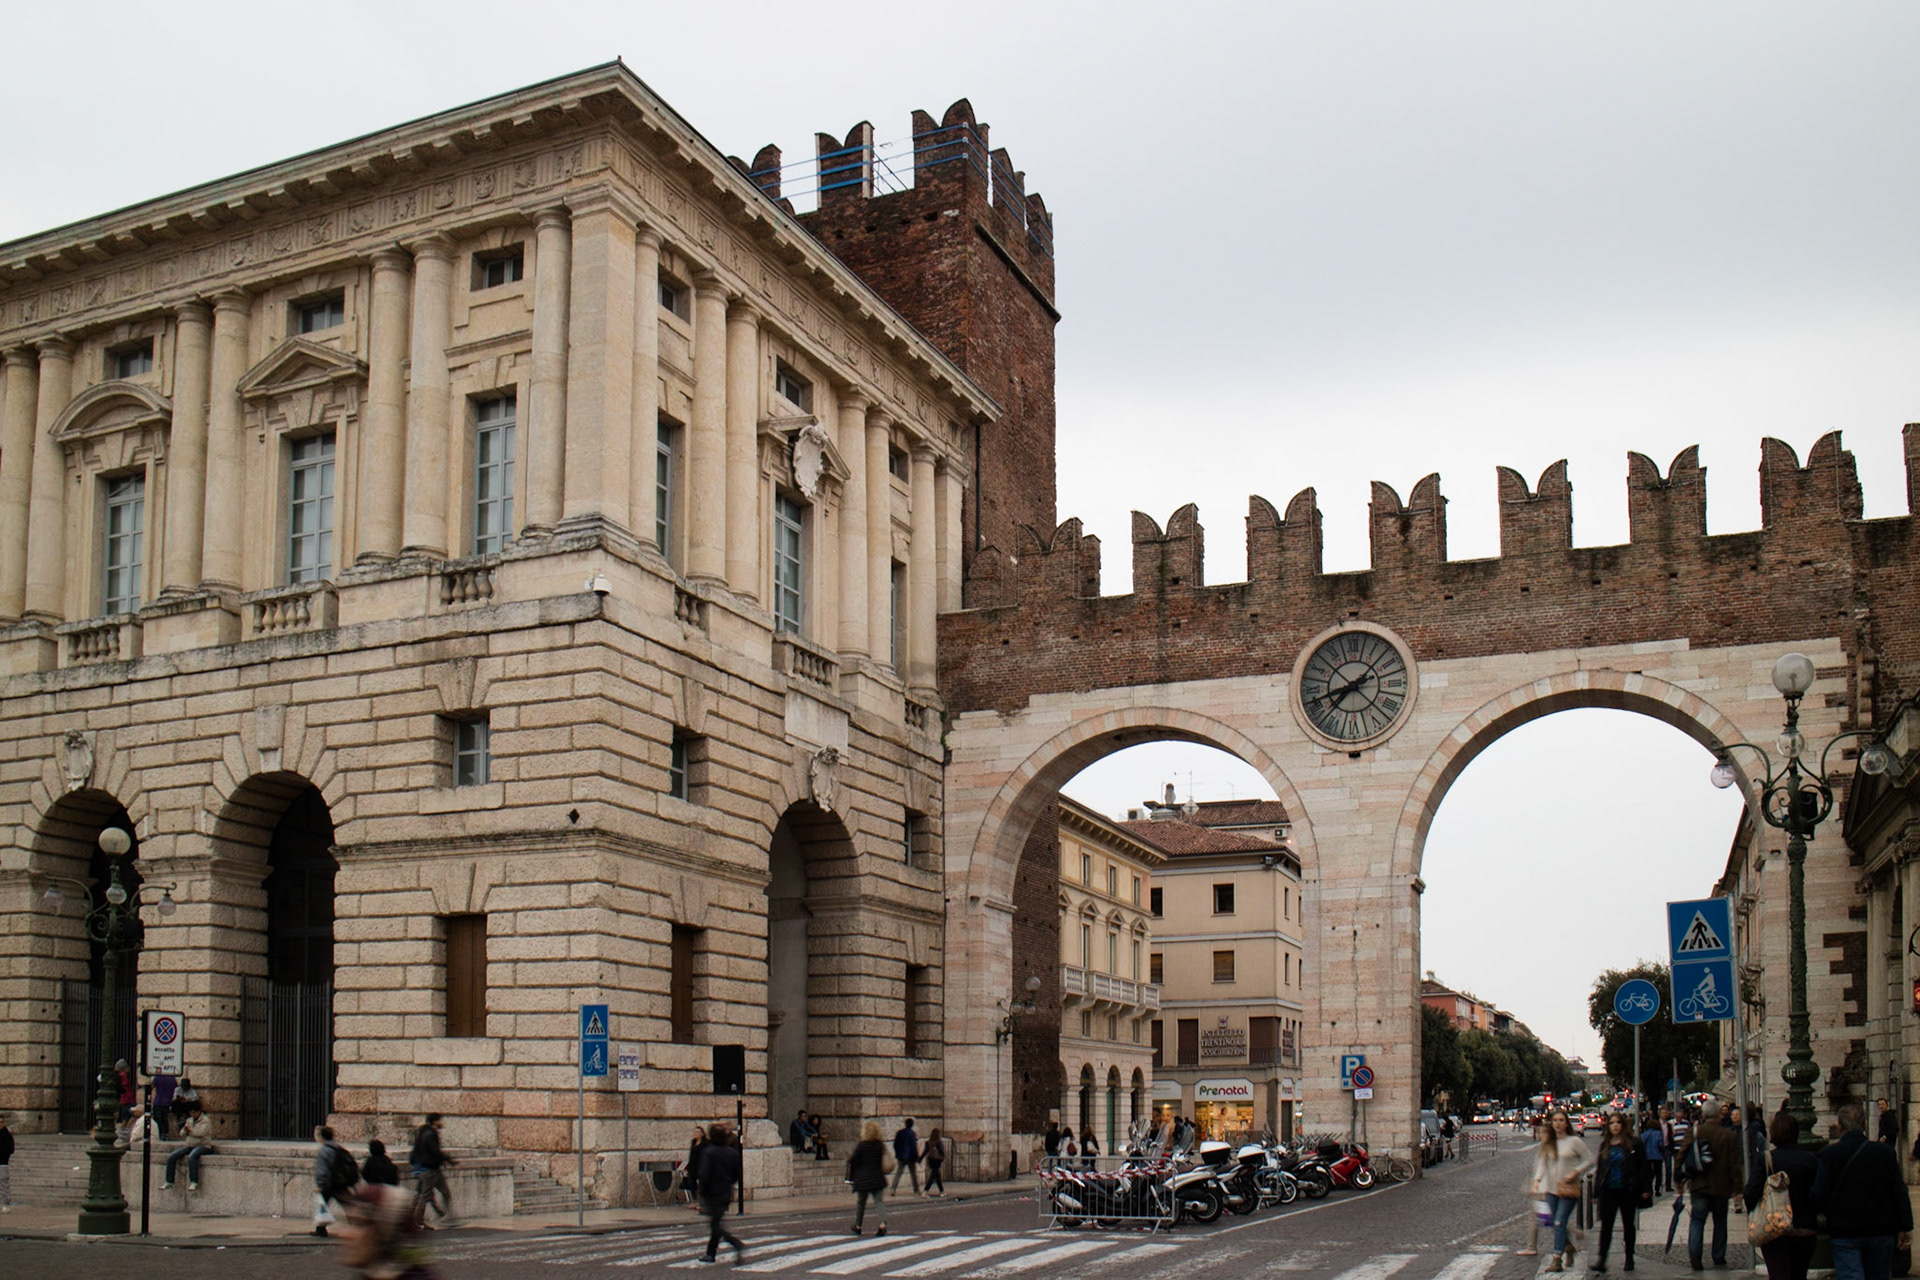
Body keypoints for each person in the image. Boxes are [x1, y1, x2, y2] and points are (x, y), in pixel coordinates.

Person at [1813, 1102, 1913, 1280]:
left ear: (1839, 1126)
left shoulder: (1829, 1155)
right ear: (1865, 1125)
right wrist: (1905, 1226)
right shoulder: (1885, 1153)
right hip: (1881, 1230)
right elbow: (1899, 1190)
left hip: (1845, 1231)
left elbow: (1819, 1195)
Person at [1747, 1109, 1819, 1280]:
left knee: (1778, 1274)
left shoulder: (1766, 1160)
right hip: (1804, 1227)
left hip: (1774, 1228)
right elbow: (1818, 1193)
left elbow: (1750, 1193)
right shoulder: (1811, 1160)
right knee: (1799, 1274)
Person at [1681, 1098, 1743, 1271]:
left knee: (1697, 1220)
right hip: (1721, 1187)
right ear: (1718, 1115)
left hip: (1699, 1185)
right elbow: (1735, 1164)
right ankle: (1718, 1256)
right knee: (1720, 1221)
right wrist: (1738, 1188)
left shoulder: (1694, 1132)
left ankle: (1695, 1256)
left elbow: (1682, 1153)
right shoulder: (1729, 1135)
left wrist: (1679, 1178)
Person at [1534, 1109, 1590, 1272]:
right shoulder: (1548, 1143)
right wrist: (1537, 1180)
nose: (1557, 1123)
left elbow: (1589, 1159)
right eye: (1555, 1120)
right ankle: (1569, 1247)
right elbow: (1542, 1163)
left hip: (1568, 1189)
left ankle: (1557, 1259)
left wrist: (1576, 1171)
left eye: (1561, 1120)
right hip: (1551, 1189)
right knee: (1556, 1223)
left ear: (1566, 1123)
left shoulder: (1574, 1142)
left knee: (1559, 1221)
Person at [1592, 1112, 1649, 1272]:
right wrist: (1596, 1192)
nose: (1615, 1125)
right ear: (1608, 1126)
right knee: (1606, 1226)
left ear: (1623, 1125)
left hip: (1628, 1189)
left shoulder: (1634, 1144)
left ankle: (1629, 1257)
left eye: (1618, 1123)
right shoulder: (1605, 1145)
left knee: (1628, 1225)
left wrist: (1645, 1189)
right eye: (1612, 1123)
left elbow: (1643, 1167)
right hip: (1609, 1191)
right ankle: (1602, 1259)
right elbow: (1601, 1170)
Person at [692, 1120, 745, 1263]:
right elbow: (737, 1173)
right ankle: (710, 1254)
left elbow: (705, 1174)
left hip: (712, 1194)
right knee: (716, 1224)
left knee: (715, 1226)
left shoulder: (709, 1152)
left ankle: (736, 1244)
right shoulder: (731, 1153)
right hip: (726, 1192)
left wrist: (702, 1191)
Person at [408, 1113, 455, 1229]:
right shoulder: (431, 1134)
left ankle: (414, 1218)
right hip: (430, 1169)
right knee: (426, 1195)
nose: (442, 1123)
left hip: (425, 1168)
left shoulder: (423, 1133)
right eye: (440, 1121)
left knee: (422, 1194)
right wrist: (449, 1161)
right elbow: (435, 1151)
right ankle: (418, 1220)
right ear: (435, 1121)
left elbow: (416, 1152)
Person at [313, 1124, 360, 1237]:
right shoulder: (339, 1148)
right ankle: (356, 1226)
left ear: (321, 1137)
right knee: (347, 1205)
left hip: (329, 1183)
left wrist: (321, 1184)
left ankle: (321, 1229)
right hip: (340, 1182)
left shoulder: (324, 1150)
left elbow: (322, 1169)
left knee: (323, 1205)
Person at [847, 1120, 890, 1236]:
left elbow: (852, 1160)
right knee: (879, 1201)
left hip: (863, 1177)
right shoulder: (880, 1145)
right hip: (877, 1176)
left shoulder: (862, 1145)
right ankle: (882, 1224)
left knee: (861, 1202)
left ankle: (858, 1225)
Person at [161, 1102, 214, 1191]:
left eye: (194, 1112)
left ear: (198, 1111)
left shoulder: (206, 1120)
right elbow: (181, 1133)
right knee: (171, 1156)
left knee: (192, 1156)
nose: (192, 1114)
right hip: (190, 1145)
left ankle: (193, 1181)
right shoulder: (189, 1120)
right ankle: (169, 1181)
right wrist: (185, 1130)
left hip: (203, 1145)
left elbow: (200, 1133)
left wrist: (190, 1131)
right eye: (190, 1113)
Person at [1517, 1118, 1547, 1257]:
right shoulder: (1545, 1146)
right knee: (1546, 1219)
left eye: (1541, 1131)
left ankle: (1532, 1247)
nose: (1538, 1133)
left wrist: (1536, 1182)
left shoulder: (1548, 1148)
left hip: (1543, 1189)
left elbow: (1542, 1168)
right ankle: (1531, 1246)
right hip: (1543, 1188)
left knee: (1545, 1220)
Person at [891, 1118, 922, 1196]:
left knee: (898, 1173)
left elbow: (895, 1144)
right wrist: (917, 1157)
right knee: (913, 1174)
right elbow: (913, 1146)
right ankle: (916, 1190)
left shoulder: (900, 1132)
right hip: (910, 1157)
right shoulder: (912, 1133)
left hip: (901, 1156)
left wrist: (898, 1153)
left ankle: (893, 1189)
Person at [1641, 1113, 1666, 1195]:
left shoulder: (1644, 1134)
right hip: (1657, 1156)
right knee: (1658, 1173)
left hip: (1647, 1156)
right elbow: (1660, 1144)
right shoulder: (1658, 1133)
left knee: (1648, 1174)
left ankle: (1649, 1189)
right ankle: (1657, 1189)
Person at [683, 1125, 709, 1205]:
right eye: (695, 1132)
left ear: (702, 1134)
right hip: (693, 1167)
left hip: (701, 1166)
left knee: (702, 1184)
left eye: (697, 1132)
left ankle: (702, 1201)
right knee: (691, 1183)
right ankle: (694, 1199)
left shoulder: (705, 1143)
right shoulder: (693, 1142)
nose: (695, 1134)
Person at [923, 1126, 947, 1197]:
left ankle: (942, 1191)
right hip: (937, 1160)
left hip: (930, 1160)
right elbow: (941, 1151)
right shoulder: (938, 1142)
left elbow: (925, 1151)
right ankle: (925, 1190)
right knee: (933, 1176)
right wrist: (943, 1157)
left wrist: (920, 1158)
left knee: (937, 1175)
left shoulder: (928, 1142)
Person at [151, 1072, 176, 1139]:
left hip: (158, 1101)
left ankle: (160, 1133)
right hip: (167, 1102)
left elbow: (151, 1087)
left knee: (157, 1119)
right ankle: (166, 1134)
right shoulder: (172, 1078)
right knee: (165, 1119)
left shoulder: (158, 1077)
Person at [114, 1058, 135, 1123]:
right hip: (127, 1099)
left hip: (125, 1100)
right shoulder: (123, 1076)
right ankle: (125, 1129)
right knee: (129, 1116)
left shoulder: (119, 1076)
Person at [0, 1112, 13, 1212]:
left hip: (2, 1162)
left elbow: (10, 1149)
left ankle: (6, 1203)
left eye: (1, 1122)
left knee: (4, 1183)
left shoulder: (7, 1135)